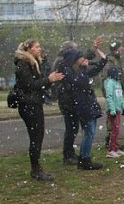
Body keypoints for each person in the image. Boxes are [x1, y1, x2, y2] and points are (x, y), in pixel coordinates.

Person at [14, 40, 64, 181]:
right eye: (36, 47)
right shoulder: (23, 64)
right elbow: (30, 85)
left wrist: (49, 80)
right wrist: (48, 80)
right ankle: (35, 169)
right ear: (29, 49)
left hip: (34, 103)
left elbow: (39, 84)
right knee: (36, 136)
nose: (39, 49)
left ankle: (36, 167)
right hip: (29, 105)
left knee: (37, 136)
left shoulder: (34, 63)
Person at [60, 47, 106, 170]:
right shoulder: (69, 72)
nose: (83, 59)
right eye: (80, 57)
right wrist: (84, 68)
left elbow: (93, 71)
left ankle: (84, 157)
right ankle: (84, 159)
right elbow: (80, 83)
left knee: (89, 131)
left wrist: (102, 61)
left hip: (85, 104)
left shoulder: (78, 70)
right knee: (88, 131)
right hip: (82, 105)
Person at [103, 65, 124, 158]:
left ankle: (116, 148)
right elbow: (109, 97)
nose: (119, 75)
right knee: (114, 130)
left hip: (118, 109)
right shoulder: (109, 83)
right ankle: (111, 150)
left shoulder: (118, 83)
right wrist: (112, 109)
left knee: (117, 130)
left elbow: (121, 96)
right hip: (112, 110)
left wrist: (123, 106)